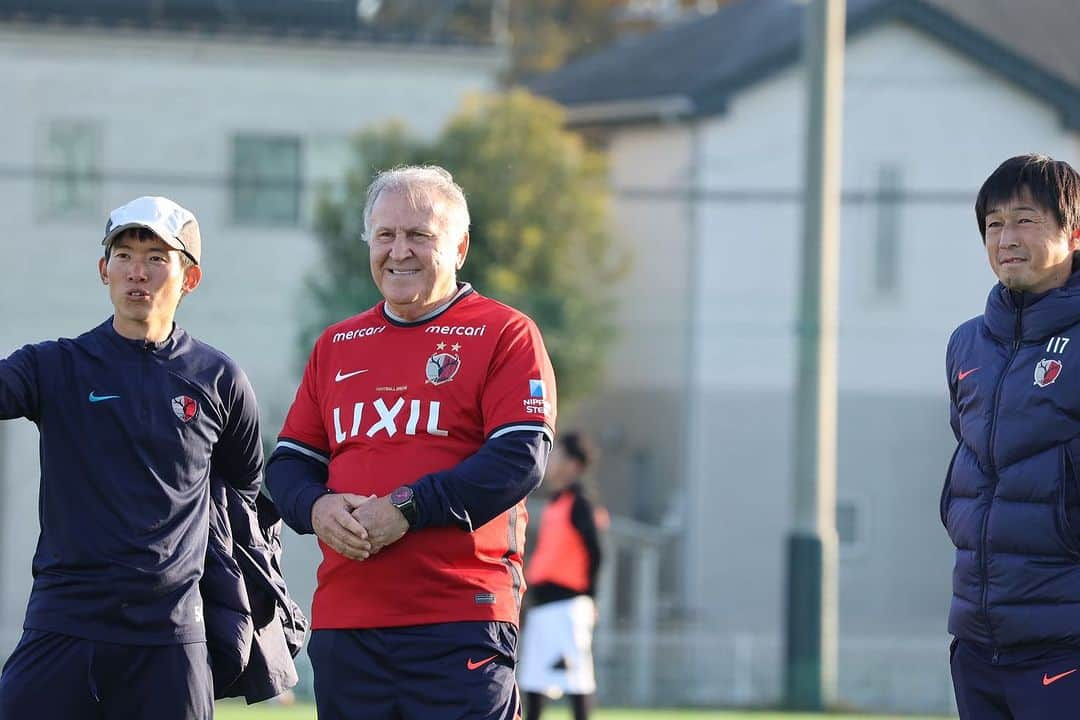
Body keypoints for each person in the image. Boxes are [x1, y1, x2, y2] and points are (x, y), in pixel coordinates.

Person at [266, 165, 557, 720]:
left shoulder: (505, 333)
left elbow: (519, 458)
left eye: (419, 235)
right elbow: (288, 467)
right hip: (347, 623)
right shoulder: (337, 344)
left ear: (460, 247)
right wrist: (318, 507)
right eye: (385, 235)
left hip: (460, 618)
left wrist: (407, 508)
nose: (399, 251)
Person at [0, 196, 268, 719]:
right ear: (104, 270)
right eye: (123, 256)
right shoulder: (56, 366)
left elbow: (243, 489)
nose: (136, 272)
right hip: (66, 619)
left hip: (171, 632)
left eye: (156, 258)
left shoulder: (220, 378)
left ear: (189, 278)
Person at [942, 154, 1080, 719]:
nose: (1007, 238)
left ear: (1073, 232)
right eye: (994, 225)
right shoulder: (967, 344)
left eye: (1025, 219)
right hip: (977, 637)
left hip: (1065, 639)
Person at [517, 432, 606, 720]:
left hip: (568, 605)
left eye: (556, 455)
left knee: (577, 680)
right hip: (544, 605)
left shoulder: (580, 504)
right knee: (534, 681)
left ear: (572, 464)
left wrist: (591, 597)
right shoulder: (558, 503)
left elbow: (595, 552)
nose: (550, 460)